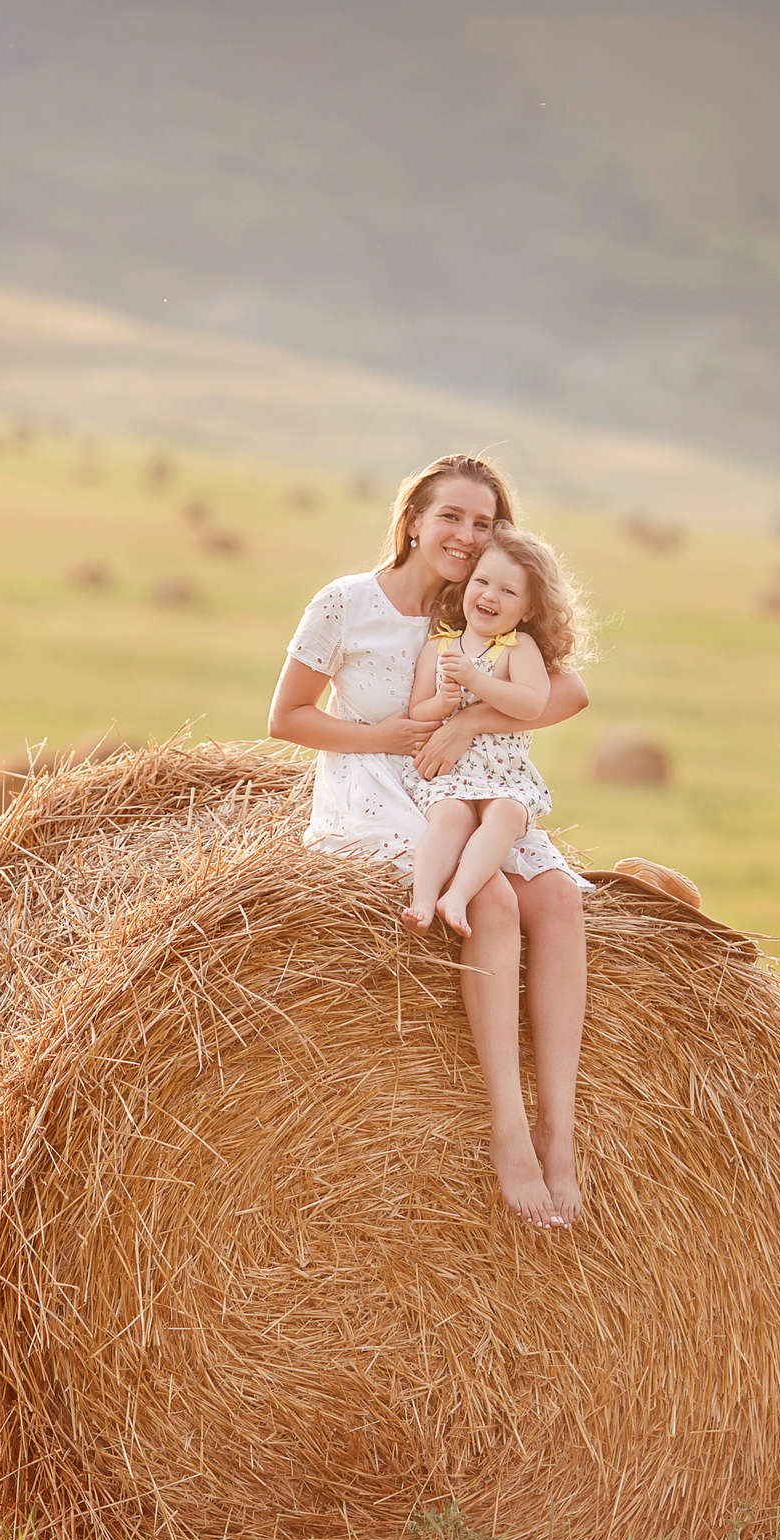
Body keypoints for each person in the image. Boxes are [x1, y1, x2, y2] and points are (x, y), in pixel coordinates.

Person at [267, 455, 593, 1231]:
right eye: (451, 516)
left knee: (557, 898)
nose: (466, 535)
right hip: (375, 785)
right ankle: (508, 1131)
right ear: (412, 517)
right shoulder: (346, 603)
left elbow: (570, 690)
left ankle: (562, 1129)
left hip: (461, 778)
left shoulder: (479, 603)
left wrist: (475, 719)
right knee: (494, 901)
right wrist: (381, 734)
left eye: (483, 523)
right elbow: (287, 717)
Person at [401, 524, 588, 942]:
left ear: (527, 611)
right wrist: (445, 702)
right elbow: (420, 710)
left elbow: (531, 703)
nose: (489, 595)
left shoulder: (518, 647)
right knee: (450, 816)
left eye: (508, 591)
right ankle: (424, 898)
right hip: (454, 771)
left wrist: (476, 680)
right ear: (467, 585)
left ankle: (458, 896)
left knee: (505, 814)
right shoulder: (439, 646)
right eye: (482, 582)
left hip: (505, 774)